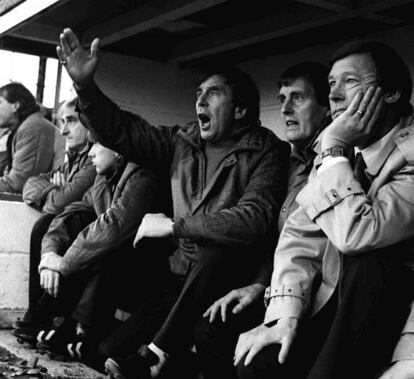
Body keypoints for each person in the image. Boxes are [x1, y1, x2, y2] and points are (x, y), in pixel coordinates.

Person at [56, 28, 290, 378]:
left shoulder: (267, 150)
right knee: (108, 351)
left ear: (240, 109)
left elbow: (254, 218)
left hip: (227, 280)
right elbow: (123, 131)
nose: (200, 101)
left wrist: (174, 225)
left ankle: (159, 355)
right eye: (198, 93)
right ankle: (80, 330)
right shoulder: (181, 141)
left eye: (213, 93)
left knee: (215, 247)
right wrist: (86, 88)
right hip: (179, 275)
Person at [235, 41, 414, 379]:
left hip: (392, 312)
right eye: (332, 84)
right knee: (258, 363)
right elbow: (299, 233)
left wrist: (332, 150)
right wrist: (284, 315)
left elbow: (359, 234)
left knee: (370, 260)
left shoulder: (395, 149)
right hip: (336, 298)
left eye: (350, 81)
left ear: (390, 93)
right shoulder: (339, 151)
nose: (334, 95)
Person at [194, 61, 331, 379]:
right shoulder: (291, 160)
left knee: (256, 362)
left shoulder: (341, 161)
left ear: (328, 107)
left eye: (297, 98)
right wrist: (259, 284)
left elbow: (322, 245)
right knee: (211, 326)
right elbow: (282, 240)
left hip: (319, 297)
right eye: (281, 99)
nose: (285, 109)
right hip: (279, 284)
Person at [14, 139, 161, 365]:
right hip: (112, 265)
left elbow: (113, 229)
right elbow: (67, 210)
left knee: (103, 246)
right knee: (52, 225)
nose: (91, 152)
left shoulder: (142, 177)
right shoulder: (104, 175)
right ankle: (43, 314)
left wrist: (61, 265)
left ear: (119, 151)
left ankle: (77, 327)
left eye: (98, 144)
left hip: (146, 274)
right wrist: (49, 256)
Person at [13, 98, 97, 332]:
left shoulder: (95, 159)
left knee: (46, 224)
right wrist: (55, 189)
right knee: (45, 224)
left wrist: (57, 193)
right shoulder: (74, 161)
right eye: (61, 122)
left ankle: (44, 316)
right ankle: (38, 313)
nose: (63, 130)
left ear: (89, 124)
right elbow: (30, 184)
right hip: (73, 227)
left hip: (93, 232)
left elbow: (60, 203)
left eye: (70, 120)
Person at [0, 82, 64, 193]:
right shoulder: (24, 127)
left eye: (0, 102)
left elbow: (18, 184)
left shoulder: (32, 127)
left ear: (15, 105)